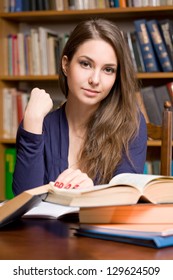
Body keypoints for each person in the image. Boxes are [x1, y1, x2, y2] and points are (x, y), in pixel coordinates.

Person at [12, 18, 147, 195]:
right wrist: (32, 121)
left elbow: (125, 198)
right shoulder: (40, 125)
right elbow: (24, 200)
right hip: (46, 224)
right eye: (86, 64)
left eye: (108, 70)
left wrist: (91, 194)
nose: (95, 80)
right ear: (66, 65)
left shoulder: (130, 125)